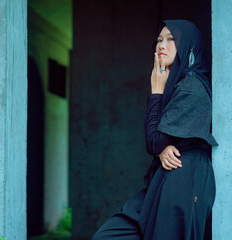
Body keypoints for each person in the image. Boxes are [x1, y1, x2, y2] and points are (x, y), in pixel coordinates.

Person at [92, 20, 218, 240]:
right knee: (108, 235)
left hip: (183, 176)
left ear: (188, 47)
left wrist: (156, 91)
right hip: (166, 175)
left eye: (171, 40)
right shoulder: (177, 85)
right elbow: (158, 143)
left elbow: (154, 142)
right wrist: (162, 148)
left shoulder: (192, 86)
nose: (162, 45)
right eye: (159, 40)